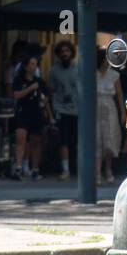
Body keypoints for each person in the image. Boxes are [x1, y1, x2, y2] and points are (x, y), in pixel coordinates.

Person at [11, 54, 52, 180]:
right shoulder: (19, 80)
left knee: (36, 141)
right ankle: (18, 167)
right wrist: (30, 89)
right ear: (26, 66)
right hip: (23, 111)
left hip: (36, 112)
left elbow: (46, 96)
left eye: (35, 64)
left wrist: (44, 103)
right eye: (32, 64)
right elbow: (16, 95)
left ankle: (35, 169)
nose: (34, 67)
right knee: (21, 138)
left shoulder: (39, 81)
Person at [49, 41, 79, 180]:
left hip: (78, 110)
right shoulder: (54, 70)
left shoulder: (78, 68)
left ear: (71, 52)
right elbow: (51, 90)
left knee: (78, 141)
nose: (65, 54)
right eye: (62, 51)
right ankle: (65, 169)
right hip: (61, 109)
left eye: (67, 51)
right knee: (64, 141)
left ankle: (79, 168)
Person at [96, 46, 125, 184]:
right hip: (95, 109)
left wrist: (123, 113)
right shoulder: (92, 74)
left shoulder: (114, 75)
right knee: (96, 139)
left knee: (109, 139)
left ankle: (108, 169)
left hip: (109, 108)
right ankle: (97, 172)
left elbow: (119, 96)